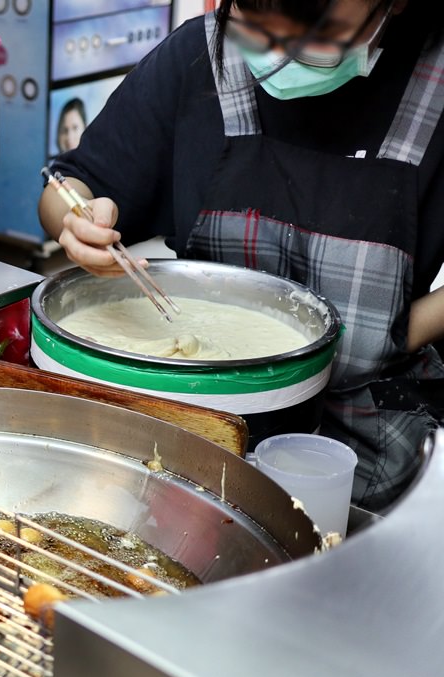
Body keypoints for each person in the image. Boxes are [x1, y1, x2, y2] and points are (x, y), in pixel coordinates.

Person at [40, 0, 444, 511]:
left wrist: (403, 329)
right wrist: (75, 222)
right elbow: (68, 185)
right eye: (256, 22)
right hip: (182, 429)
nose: (278, 50)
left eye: (316, 25)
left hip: (363, 444)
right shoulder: (197, 59)